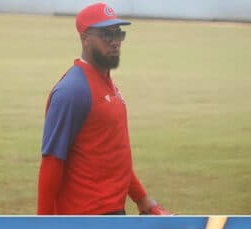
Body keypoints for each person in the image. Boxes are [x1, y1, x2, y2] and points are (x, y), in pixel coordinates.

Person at [37, 3, 170, 215]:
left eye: (118, 34)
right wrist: (42, 227)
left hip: (113, 212)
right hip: (86, 219)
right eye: (106, 34)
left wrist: (143, 200)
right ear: (85, 38)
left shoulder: (106, 83)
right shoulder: (73, 90)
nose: (115, 41)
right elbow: (52, 161)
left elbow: (111, 156)